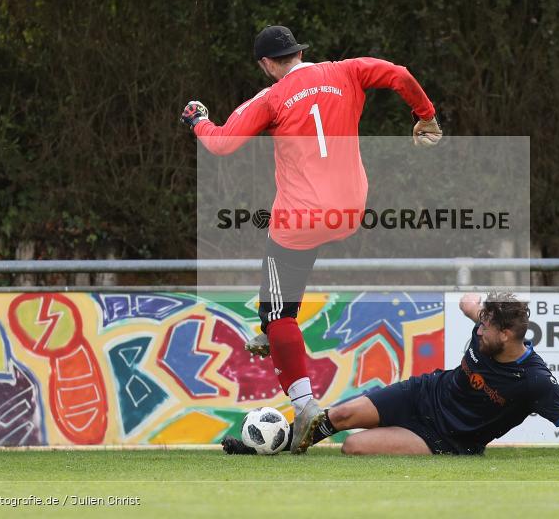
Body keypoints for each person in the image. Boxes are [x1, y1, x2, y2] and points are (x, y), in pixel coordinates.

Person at [181, 25, 440, 454]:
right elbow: (398, 74)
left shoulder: (272, 96)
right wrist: (425, 114)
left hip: (301, 216)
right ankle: (273, 325)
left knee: (278, 297)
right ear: (300, 52)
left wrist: (199, 120)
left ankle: (302, 403)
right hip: (350, 210)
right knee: (289, 264)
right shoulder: (348, 71)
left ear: (266, 63)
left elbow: (223, 144)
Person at [223, 292, 559, 458]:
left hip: (446, 437)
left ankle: (279, 445)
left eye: (487, 328)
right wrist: (481, 305)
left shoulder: (534, 380)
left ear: (507, 336)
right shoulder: (489, 323)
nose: (479, 331)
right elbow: (468, 303)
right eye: (482, 322)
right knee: (336, 417)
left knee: (353, 446)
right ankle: (276, 445)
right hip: (423, 393)